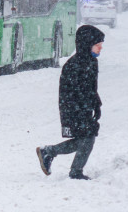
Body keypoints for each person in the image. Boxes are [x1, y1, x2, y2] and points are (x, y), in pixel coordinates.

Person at [37, 24, 105, 180]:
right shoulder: (74, 65)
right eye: (97, 46)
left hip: (84, 108)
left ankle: (48, 152)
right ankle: (75, 171)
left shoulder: (91, 62)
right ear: (87, 44)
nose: (100, 49)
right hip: (73, 109)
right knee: (88, 137)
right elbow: (72, 92)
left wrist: (96, 104)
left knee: (85, 139)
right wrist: (82, 107)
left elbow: (91, 88)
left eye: (101, 46)